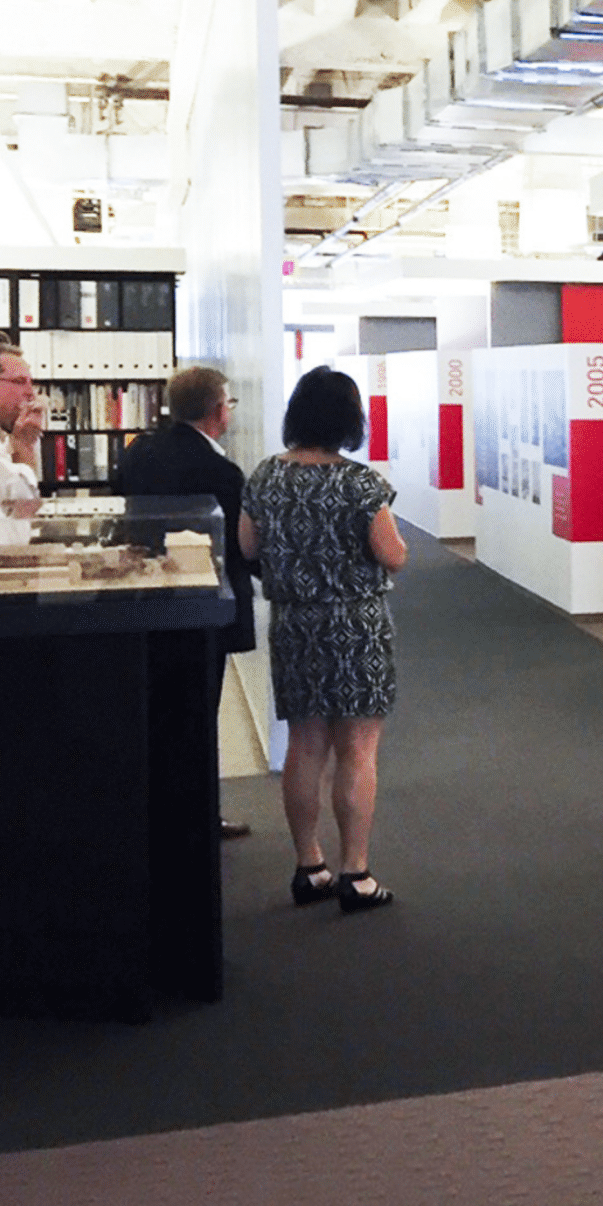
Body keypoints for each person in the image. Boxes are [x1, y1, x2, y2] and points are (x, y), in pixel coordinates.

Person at [239, 367, 409, 913]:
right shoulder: (361, 483)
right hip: (355, 627)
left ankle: (309, 865)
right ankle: (355, 873)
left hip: (294, 624)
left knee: (304, 745)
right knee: (357, 749)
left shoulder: (265, 476)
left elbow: (246, 548)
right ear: (348, 419)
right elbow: (394, 554)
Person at [117, 365, 259, 839]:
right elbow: (239, 547)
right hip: (203, 609)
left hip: (144, 600)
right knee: (198, 714)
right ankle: (197, 816)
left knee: (156, 707)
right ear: (219, 412)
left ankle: (153, 809)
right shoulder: (220, 470)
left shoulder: (138, 452)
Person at [0, 340, 44, 546]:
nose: (30, 393)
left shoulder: (0, 436)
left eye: (31, 382)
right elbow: (21, 508)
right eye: (19, 382)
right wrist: (24, 446)